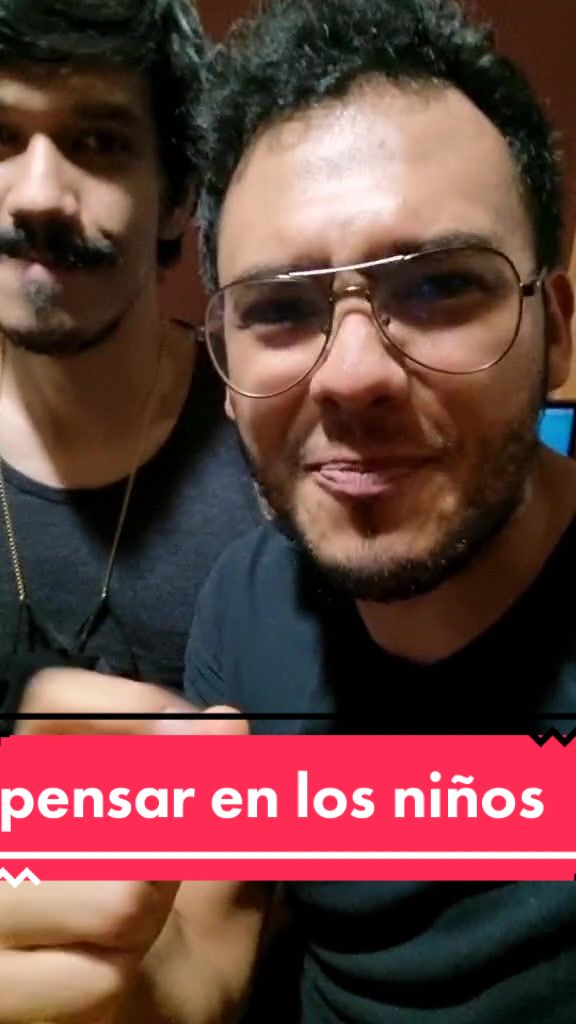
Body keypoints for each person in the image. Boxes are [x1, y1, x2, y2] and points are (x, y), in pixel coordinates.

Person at [0, 0, 575, 1022]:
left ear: (558, 332)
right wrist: (98, 969)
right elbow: (209, 967)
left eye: (440, 285)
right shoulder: (247, 603)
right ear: (224, 364)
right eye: (279, 309)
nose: (351, 374)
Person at [0, 0, 261, 719]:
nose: (38, 196)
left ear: (178, 197)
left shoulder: (281, 441)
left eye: (99, 141)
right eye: (0, 137)